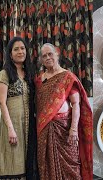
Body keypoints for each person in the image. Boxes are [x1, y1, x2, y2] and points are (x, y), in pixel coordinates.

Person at [34, 43, 93, 180]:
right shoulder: (38, 81)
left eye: (50, 54)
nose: (48, 57)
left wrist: (73, 129)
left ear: (57, 54)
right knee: (46, 166)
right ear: (41, 60)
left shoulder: (67, 77)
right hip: (44, 131)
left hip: (65, 130)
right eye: (44, 56)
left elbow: (76, 104)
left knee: (72, 166)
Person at [0, 36, 38, 180]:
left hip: (27, 125)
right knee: (12, 160)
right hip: (12, 125)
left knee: (27, 162)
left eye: (23, 48)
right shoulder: (4, 74)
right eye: (16, 49)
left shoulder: (29, 74)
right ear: (10, 53)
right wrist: (11, 129)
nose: (20, 51)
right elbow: (1, 102)